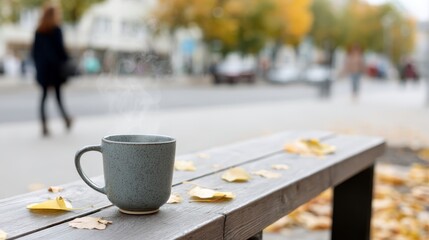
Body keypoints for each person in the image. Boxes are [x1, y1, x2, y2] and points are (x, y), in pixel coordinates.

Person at [31, 3, 72, 137]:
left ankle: (44, 125)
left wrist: (39, 67)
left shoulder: (39, 31)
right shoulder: (57, 30)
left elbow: (34, 53)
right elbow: (61, 51)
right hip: (55, 70)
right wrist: (68, 60)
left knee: (43, 97)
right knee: (58, 97)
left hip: (43, 70)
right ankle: (66, 119)